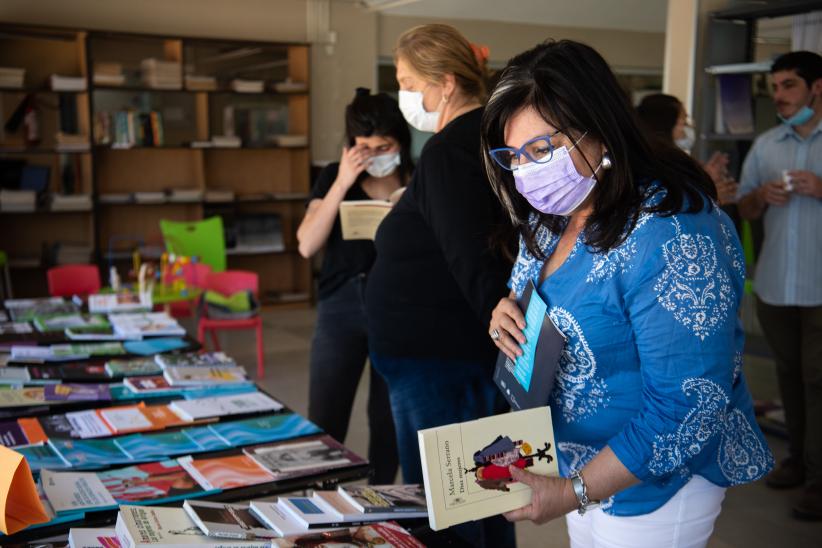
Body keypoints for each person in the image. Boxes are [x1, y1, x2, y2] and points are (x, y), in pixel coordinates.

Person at [481, 40, 773, 547]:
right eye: (513, 156)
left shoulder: (673, 234)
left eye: (542, 150)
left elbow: (689, 404)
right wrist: (506, 313)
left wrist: (572, 491)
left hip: (656, 482)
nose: (526, 172)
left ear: (600, 130)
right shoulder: (555, 215)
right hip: (576, 461)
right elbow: (536, 294)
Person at [364, 24, 514, 546]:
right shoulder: (471, 141)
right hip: (441, 354)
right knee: (477, 496)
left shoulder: (452, 147)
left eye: (408, 82)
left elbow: (469, 253)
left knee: (455, 506)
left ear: (445, 83)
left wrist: (497, 317)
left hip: (442, 360)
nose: (405, 95)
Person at [297, 88, 412, 484]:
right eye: (365, 147)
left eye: (385, 146)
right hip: (341, 306)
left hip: (398, 307)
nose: (376, 155)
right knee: (327, 414)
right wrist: (343, 182)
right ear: (350, 146)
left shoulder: (415, 180)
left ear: (401, 143)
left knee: (389, 418)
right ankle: (319, 502)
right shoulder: (333, 176)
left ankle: (380, 500)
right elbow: (306, 244)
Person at [736, 50, 822, 521]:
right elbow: (745, 209)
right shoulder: (767, 144)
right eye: (775, 89)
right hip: (774, 285)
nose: (780, 97)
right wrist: (759, 198)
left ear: (817, 87)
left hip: (820, 288)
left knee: (819, 380)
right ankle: (797, 460)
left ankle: (818, 477)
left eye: (789, 85)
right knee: (790, 376)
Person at [637, 93, 738, 205]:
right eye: (684, 121)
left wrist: (704, 178)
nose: (688, 127)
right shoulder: (658, 167)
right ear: (666, 125)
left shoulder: (675, 164)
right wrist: (711, 198)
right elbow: (676, 209)